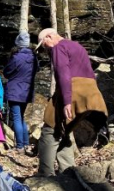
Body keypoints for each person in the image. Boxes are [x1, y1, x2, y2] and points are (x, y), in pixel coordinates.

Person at [36, 29, 108, 176]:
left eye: (44, 45)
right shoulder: (77, 46)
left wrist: (67, 101)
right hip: (91, 93)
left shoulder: (58, 47)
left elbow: (63, 73)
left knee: (50, 130)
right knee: (65, 131)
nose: (45, 49)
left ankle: (45, 175)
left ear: (49, 37)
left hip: (74, 91)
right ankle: (69, 173)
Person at [3, 31, 39, 155]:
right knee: (21, 118)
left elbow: (7, 72)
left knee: (17, 118)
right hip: (27, 91)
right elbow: (36, 71)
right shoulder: (34, 57)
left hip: (14, 91)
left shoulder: (16, 57)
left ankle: (19, 146)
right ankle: (25, 144)